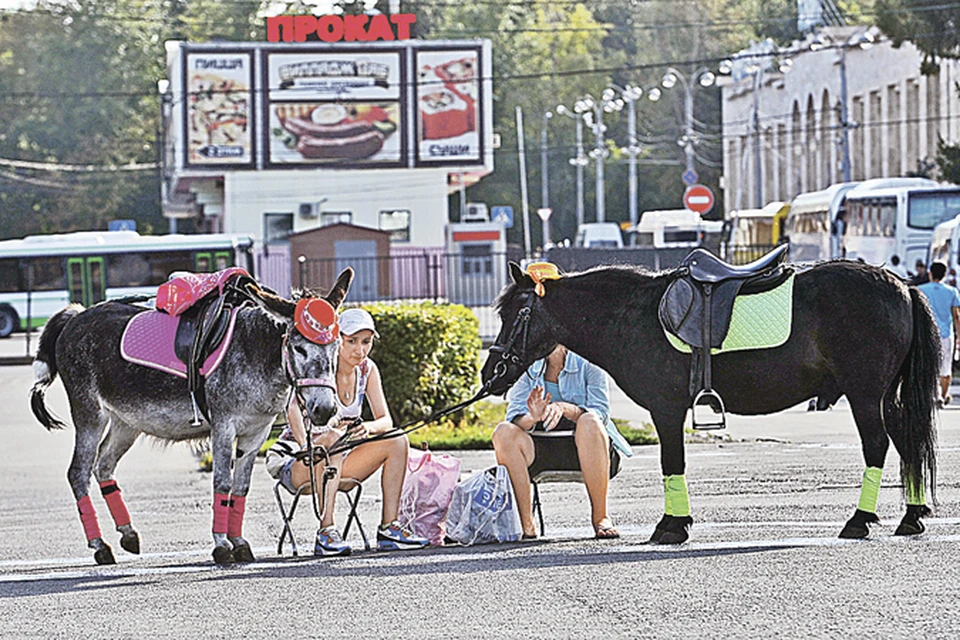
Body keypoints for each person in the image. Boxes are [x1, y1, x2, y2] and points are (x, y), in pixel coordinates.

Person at [271, 308, 428, 556]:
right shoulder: (322, 367)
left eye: (366, 342)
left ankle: (389, 527)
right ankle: (326, 532)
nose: (360, 350)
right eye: (351, 341)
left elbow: (385, 419)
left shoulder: (368, 370)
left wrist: (368, 428)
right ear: (337, 340)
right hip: (301, 464)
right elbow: (292, 409)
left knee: (397, 439)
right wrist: (305, 446)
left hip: (341, 462)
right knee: (332, 438)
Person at [491, 339, 633, 540]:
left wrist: (565, 408)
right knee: (503, 431)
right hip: (541, 452)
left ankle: (601, 518)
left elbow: (601, 411)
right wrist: (534, 416)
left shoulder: (591, 360)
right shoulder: (528, 366)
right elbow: (514, 417)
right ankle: (526, 524)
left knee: (591, 420)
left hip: (589, 451)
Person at [918, 262, 960, 406]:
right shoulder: (952, 291)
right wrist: (959, 335)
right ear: (944, 275)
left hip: (926, 335)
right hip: (946, 335)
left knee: (929, 365)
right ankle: (942, 395)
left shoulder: (920, 290)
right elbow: (956, 316)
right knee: (946, 368)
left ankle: (935, 394)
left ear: (930, 273)